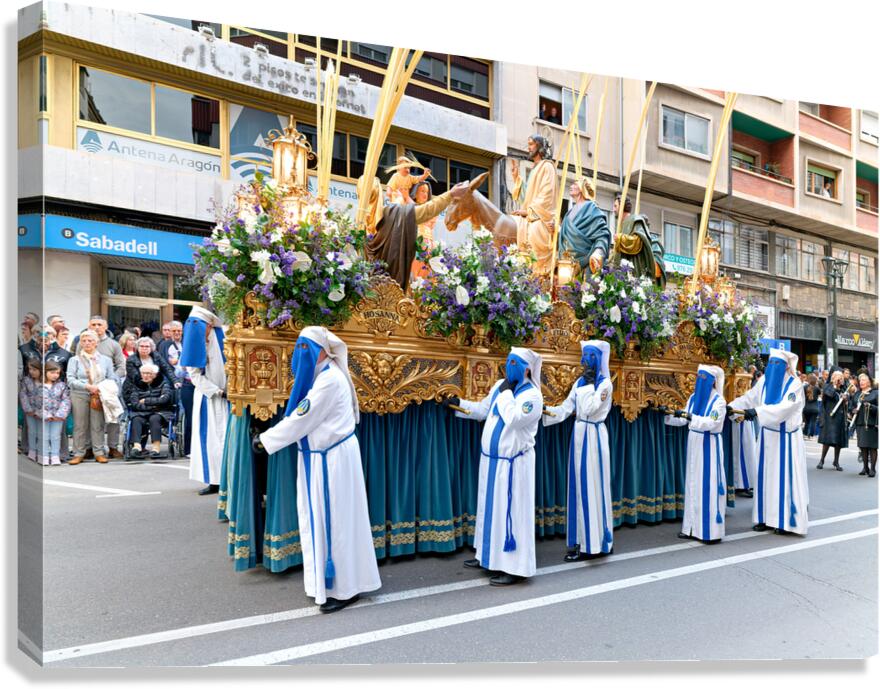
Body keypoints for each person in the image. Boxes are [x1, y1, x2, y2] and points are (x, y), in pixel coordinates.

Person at [254, 327, 381, 613]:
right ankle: (335, 582)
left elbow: (303, 417)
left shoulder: (329, 381)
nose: (299, 355)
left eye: (305, 348)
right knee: (334, 521)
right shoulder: (324, 375)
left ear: (321, 350)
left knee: (336, 523)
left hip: (332, 462)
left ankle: (344, 588)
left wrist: (266, 440)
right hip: (325, 458)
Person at [443, 348, 544, 586]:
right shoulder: (501, 385)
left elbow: (515, 419)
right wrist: (460, 405)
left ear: (526, 369)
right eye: (507, 361)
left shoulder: (533, 397)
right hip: (491, 461)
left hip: (514, 465)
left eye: (513, 363)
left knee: (511, 513)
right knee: (490, 510)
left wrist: (507, 394)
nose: (508, 366)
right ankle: (486, 556)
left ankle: (515, 568)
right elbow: (485, 409)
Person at [543, 340, 614, 561]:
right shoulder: (581, 382)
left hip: (593, 436)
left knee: (593, 487)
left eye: (591, 356)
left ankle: (593, 544)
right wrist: (545, 411)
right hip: (580, 435)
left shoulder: (604, 384)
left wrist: (585, 387)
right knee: (579, 487)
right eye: (584, 356)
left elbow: (591, 408)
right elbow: (566, 408)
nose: (586, 361)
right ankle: (581, 539)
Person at [729, 348, 808, 535]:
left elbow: (785, 408)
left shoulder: (794, 384)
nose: (773, 368)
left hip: (786, 440)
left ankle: (785, 521)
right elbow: (750, 398)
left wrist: (757, 412)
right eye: (770, 364)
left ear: (787, 367)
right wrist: (732, 407)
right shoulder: (764, 381)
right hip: (766, 437)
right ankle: (764, 518)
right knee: (764, 478)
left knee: (783, 480)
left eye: (777, 364)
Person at [361, 175, 471, 289]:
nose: (424, 194)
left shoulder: (363, 221)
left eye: (426, 192)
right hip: (389, 284)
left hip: (372, 284)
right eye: (422, 191)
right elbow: (425, 211)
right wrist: (450, 194)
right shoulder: (391, 213)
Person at [664, 365, 727, 543]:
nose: (700, 381)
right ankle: (690, 527)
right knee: (693, 484)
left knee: (707, 485)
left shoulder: (719, 402)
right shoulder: (694, 398)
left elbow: (711, 423)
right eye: (698, 377)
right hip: (694, 443)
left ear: (713, 381)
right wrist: (668, 415)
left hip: (709, 445)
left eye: (703, 378)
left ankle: (710, 532)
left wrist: (691, 417)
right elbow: (684, 418)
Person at [180, 305, 229, 495]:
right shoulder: (194, 343)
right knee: (209, 441)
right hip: (210, 398)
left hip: (229, 397)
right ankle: (214, 480)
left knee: (226, 439)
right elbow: (195, 375)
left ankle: (228, 478)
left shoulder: (223, 337)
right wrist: (217, 391)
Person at [67, 329, 118, 464]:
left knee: (98, 425)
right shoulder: (74, 360)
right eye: (84, 340)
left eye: (90, 340)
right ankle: (78, 453)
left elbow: (111, 377)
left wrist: (102, 387)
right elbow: (70, 379)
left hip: (99, 395)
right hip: (79, 394)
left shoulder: (106, 360)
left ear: (96, 343)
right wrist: (87, 386)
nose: (87, 343)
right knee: (80, 425)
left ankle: (99, 452)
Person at [512, 135, 557, 275]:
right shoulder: (534, 169)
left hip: (542, 218)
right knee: (514, 221)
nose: (529, 148)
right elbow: (529, 197)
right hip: (533, 215)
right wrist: (517, 179)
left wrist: (529, 212)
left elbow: (547, 194)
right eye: (528, 144)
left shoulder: (547, 166)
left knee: (532, 230)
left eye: (531, 144)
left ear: (539, 146)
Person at [88, 315, 126, 459]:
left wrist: (109, 382)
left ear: (105, 327)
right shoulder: (82, 342)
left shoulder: (113, 344)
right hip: (91, 387)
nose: (96, 327)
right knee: (94, 420)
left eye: (99, 324)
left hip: (109, 387)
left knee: (113, 418)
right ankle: (92, 448)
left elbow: (121, 366)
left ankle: (113, 447)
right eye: (93, 324)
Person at [557, 178, 612, 274]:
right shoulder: (569, 212)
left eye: (574, 184)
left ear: (582, 188)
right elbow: (565, 236)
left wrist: (598, 252)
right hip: (566, 264)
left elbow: (602, 235)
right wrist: (556, 230)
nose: (571, 186)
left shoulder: (592, 208)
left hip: (585, 261)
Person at [610, 195, 666, 287]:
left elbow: (638, 241)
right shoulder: (622, 224)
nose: (613, 209)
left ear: (622, 206)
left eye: (615, 206)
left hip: (635, 266)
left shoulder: (635, 220)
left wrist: (621, 238)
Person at [124, 362, 175, 460]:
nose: (146, 375)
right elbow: (134, 403)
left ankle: (156, 448)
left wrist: (146, 401)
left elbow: (165, 399)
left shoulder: (163, 384)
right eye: (143, 373)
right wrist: (153, 406)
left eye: (149, 373)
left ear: (155, 375)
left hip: (161, 413)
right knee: (136, 418)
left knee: (154, 418)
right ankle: (137, 447)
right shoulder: (136, 385)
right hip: (143, 413)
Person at [31, 361, 71, 465]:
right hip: (42, 417)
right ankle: (43, 456)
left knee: (55, 436)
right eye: (52, 372)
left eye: (57, 373)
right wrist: (44, 414)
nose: (55, 375)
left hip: (57, 417)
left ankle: (55, 456)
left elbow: (66, 400)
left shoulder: (62, 385)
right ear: (45, 372)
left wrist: (59, 415)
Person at [817, 370, 849, 470]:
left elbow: (847, 402)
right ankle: (822, 460)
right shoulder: (827, 386)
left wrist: (845, 399)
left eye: (841, 378)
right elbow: (829, 395)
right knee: (827, 440)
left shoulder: (844, 389)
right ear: (833, 378)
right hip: (829, 417)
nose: (839, 379)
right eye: (837, 377)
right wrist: (835, 386)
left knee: (838, 441)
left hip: (840, 417)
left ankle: (836, 461)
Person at [852, 373, 877, 477]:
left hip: (871, 424)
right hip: (860, 423)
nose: (861, 382)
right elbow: (852, 406)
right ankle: (865, 467)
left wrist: (871, 406)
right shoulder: (857, 394)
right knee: (863, 446)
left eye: (863, 380)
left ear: (869, 382)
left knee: (872, 447)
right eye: (860, 380)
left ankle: (873, 469)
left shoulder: (875, 393)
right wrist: (852, 411)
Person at [19, 360, 44, 462]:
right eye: (30, 369)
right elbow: (23, 394)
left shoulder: (45, 381)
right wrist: (28, 409)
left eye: (34, 369)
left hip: (41, 412)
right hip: (30, 411)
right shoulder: (26, 380)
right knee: (32, 431)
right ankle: (32, 450)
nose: (31, 372)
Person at [802, 374, 821, 439]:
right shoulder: (817, 388)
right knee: (813, 422)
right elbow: (820, 394)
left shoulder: (804, 387)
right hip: (815, 408)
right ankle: (811, 435)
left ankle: (805, 434)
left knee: (807, 422)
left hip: (806, 407)